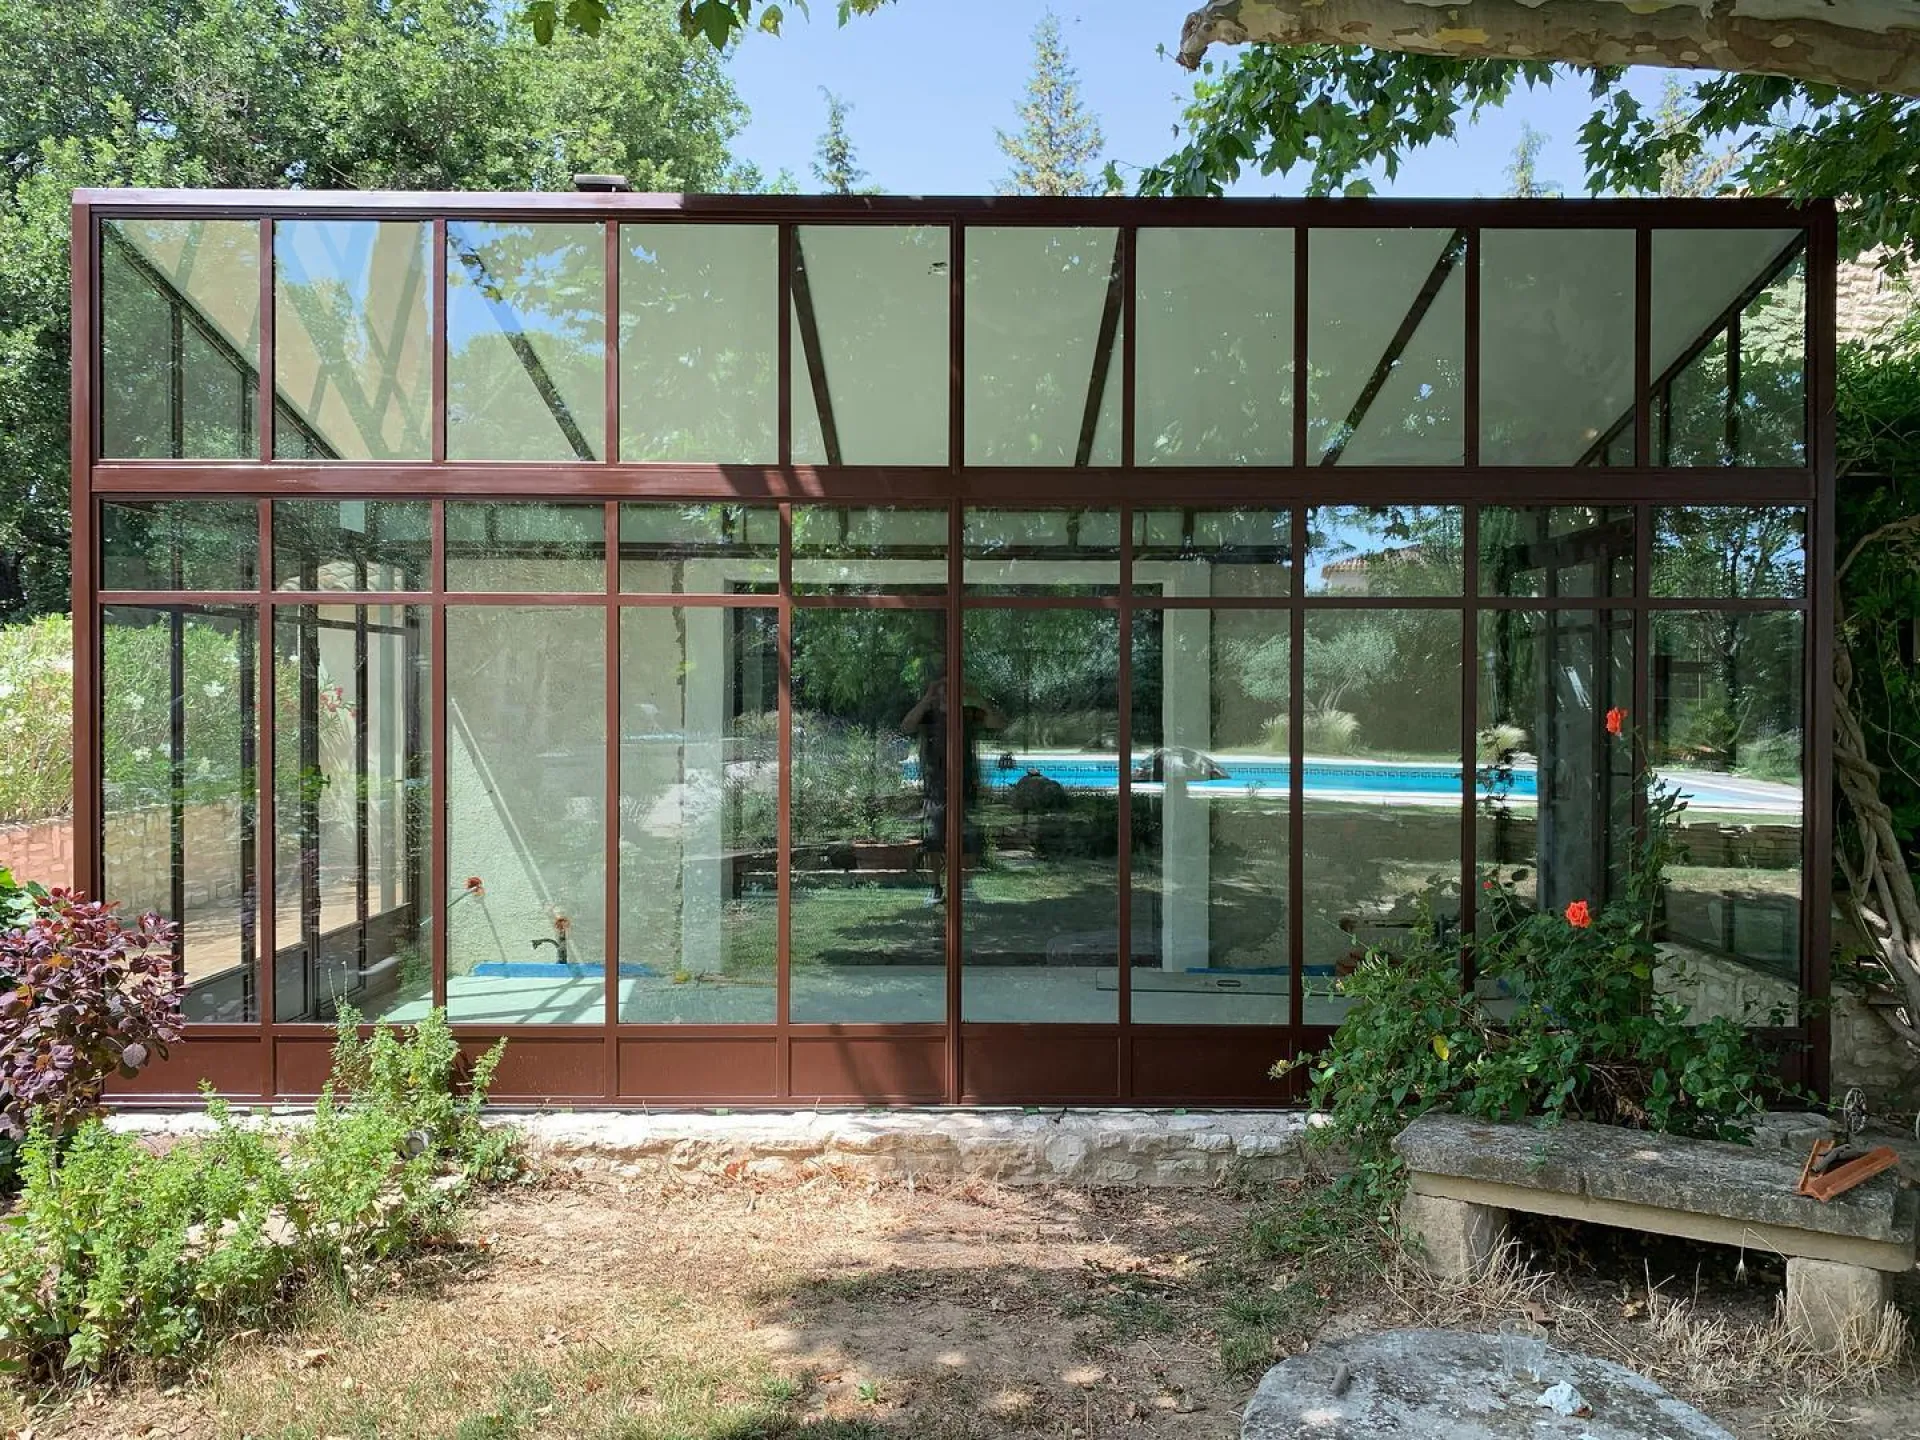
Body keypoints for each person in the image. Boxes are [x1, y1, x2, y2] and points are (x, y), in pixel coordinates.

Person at [900, 659, 1002, 903]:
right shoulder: (928, 714)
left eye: (953, 685)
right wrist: (927, 698)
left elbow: (999, 724)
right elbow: (906, 727)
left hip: (965, 784)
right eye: (944, 686)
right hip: (935, 786)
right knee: (934, 840)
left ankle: (964, 887)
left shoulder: (969, 712)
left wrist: (977, 697)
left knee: (968, 840)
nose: (948, 690)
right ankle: (935, 888)